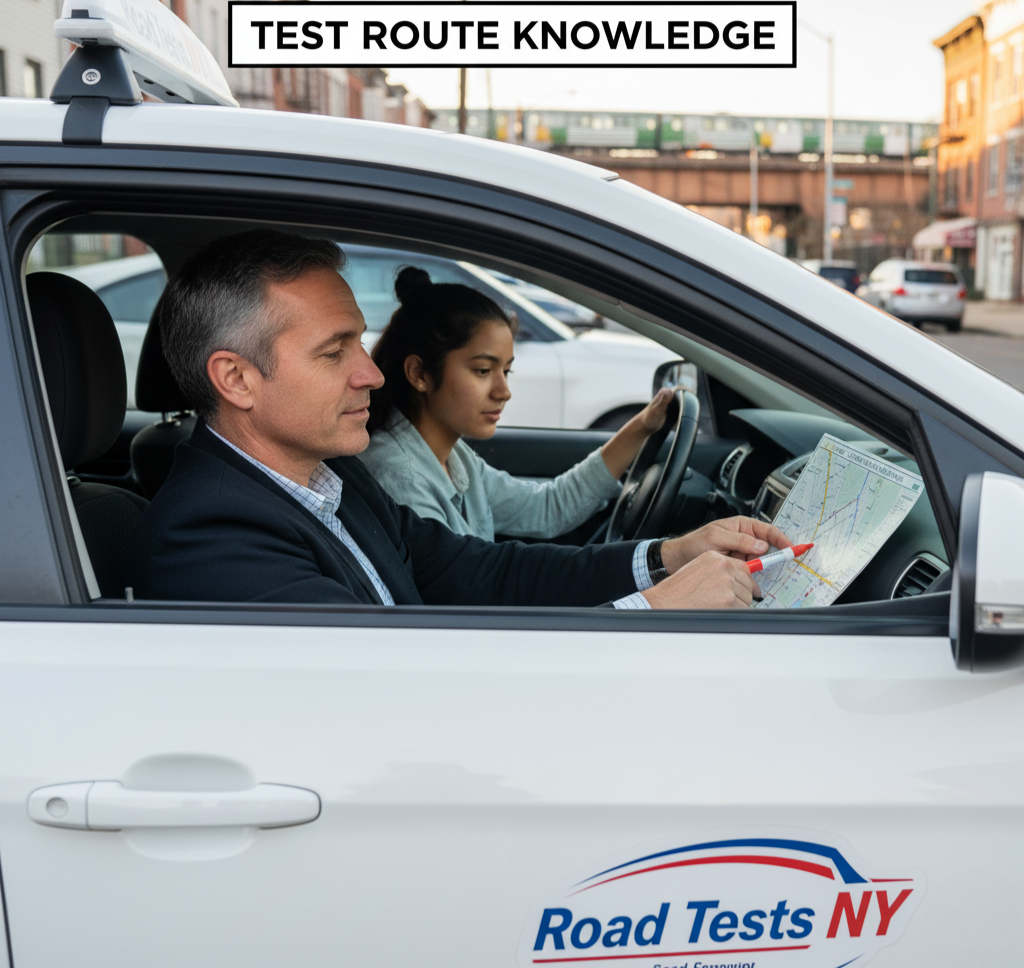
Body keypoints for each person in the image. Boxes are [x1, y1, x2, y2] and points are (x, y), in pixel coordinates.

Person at [125, 229, 791, 610]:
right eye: (335, 353)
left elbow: (487, 571)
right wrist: (654, 612)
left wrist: (671, 556)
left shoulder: (335, 481)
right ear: (236, 379)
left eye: (361, 341)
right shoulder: (209, 532)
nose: (371, 372)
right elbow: (396, 694)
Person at [360, 267, 674, 541]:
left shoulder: (454, 458)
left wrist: (643, 426)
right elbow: (456, 595)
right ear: (420, 374)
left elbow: (547, 509)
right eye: (483, 371)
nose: (504, 391)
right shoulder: (401, 478)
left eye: (506, 371)